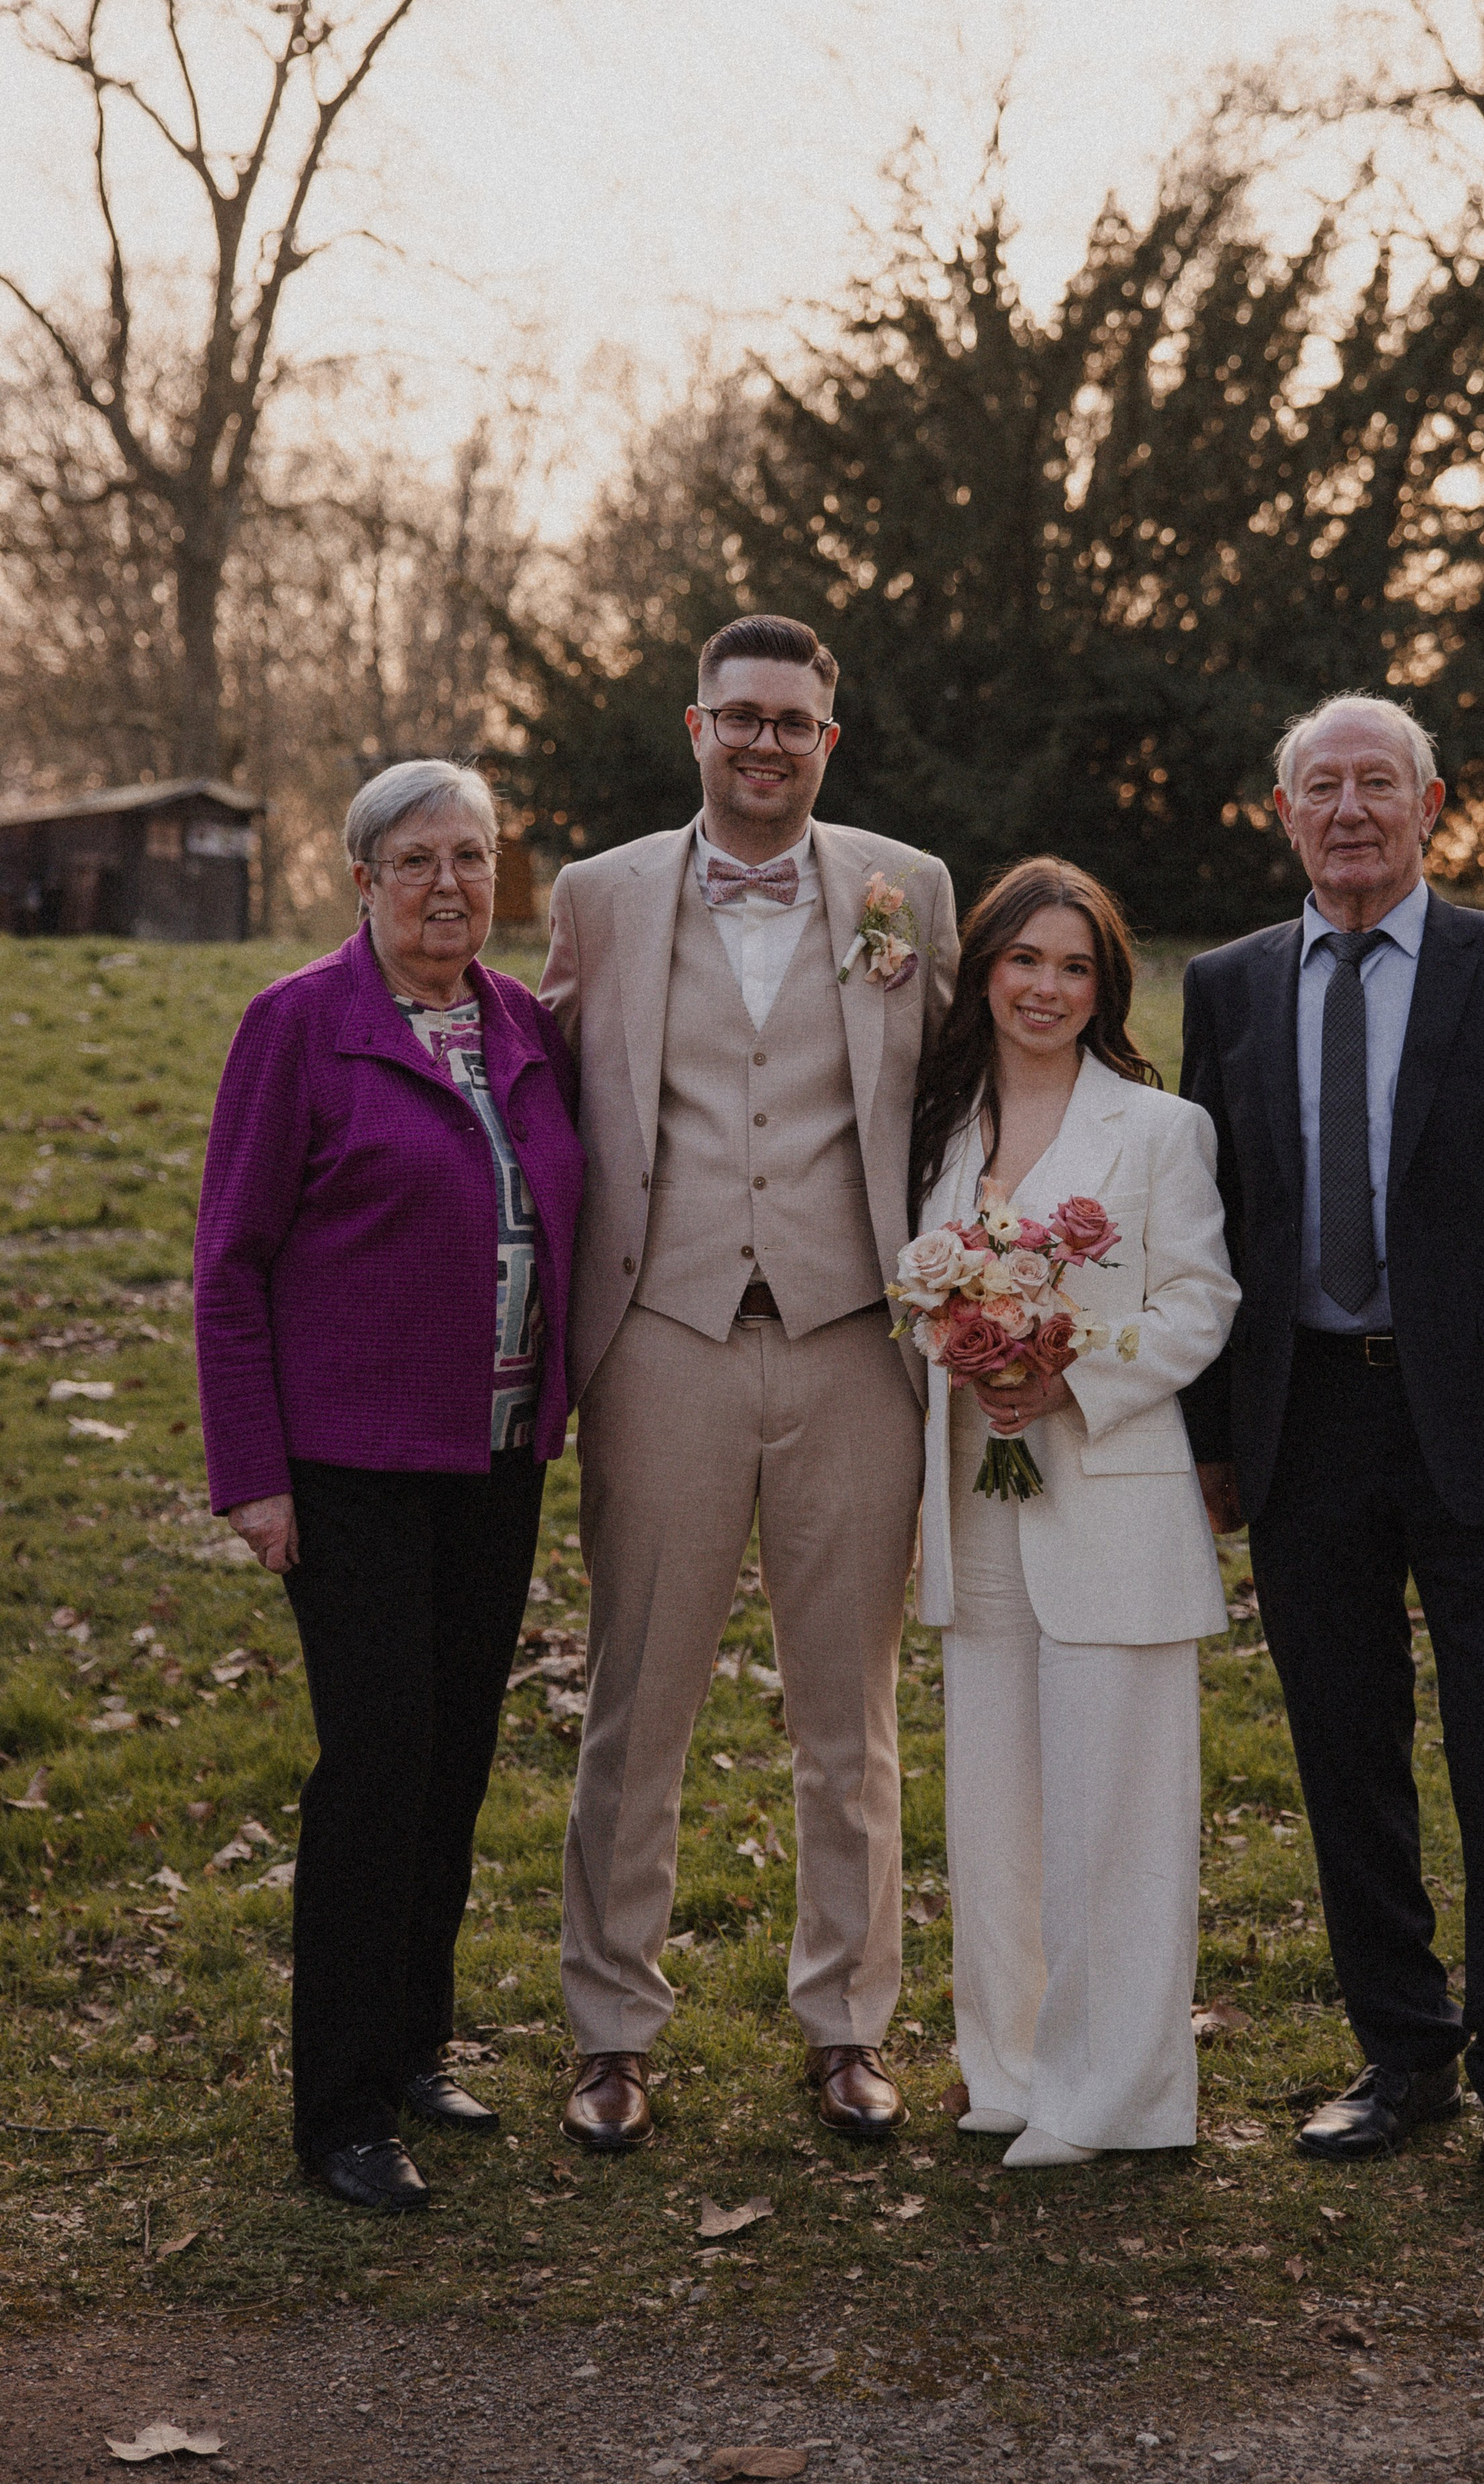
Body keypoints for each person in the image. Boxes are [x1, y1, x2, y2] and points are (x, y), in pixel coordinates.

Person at [1179, 693, 1484, 2239]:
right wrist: (1214, 1443)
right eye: (1323, 786)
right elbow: (1212, 1230)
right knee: (1341, 1753)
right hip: (1304, 1422)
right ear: (1284, 814)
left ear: (1429, 803)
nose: (1350, 808)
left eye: (1378, 782)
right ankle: (1400, 2053)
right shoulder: (1229, 988)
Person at [543, 614, 959, 2151]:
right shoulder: (599, 895)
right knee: (635, 1698)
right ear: (695, 729)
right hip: (662, 1332)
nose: (765, 742)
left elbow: (958, 1101)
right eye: (740, 718)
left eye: (792, 721)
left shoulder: (903, 890)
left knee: (847, 1711)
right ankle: (607, 2031)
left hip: (855, 1336)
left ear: (826, 742)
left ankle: (847, 2024)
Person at [194, 761, 584, 2213]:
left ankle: (415, 2041)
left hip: (492, 1458)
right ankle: (342, 2107)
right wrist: (252, 1475)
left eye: (471, 860)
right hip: (347, 1466)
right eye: (415, 861)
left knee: (455, 1757)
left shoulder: (524, 1030)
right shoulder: (298, 1027)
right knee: (374, 1767)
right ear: (361, 880)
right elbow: (229, 1269)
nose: (446, 889)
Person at [908, 859, 1239, 2167]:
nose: (1044, 988)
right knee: (992, 1815)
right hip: (975, 1507)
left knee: (1119, 1818)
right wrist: (965, 1346)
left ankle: (1121, 2099)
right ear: (984, 969)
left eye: (1074, 967)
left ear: (1103, 989)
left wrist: (1066, 1375)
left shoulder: (1159, 1130)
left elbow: (1202, 1303)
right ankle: (1010, 2072)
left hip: (1110, 1503)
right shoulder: (939, 1129)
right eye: (1023, 960)